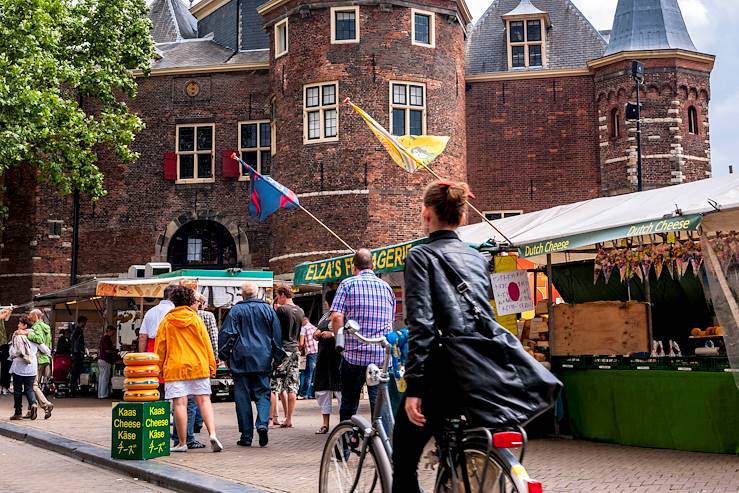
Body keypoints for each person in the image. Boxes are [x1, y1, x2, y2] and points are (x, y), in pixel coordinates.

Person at [392, 181, 490, 492]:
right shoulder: (476, 258)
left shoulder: (420, 256)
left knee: (404, 460)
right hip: (477, 370)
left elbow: (421, 323)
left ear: (426, 213)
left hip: (440, 371)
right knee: (460, 450)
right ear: (462, 217)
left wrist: (415, 386)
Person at [330, 249, 396, 423]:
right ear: (372, 266)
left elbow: (336, 317)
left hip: (354, 356)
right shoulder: (387, 288)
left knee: (349, 405)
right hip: (380, 357)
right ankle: (382, 445)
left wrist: (339, 341)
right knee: (380, 407)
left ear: (354, 267)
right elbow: (390, 321)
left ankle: (345, 442)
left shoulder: (347, 284)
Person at [154, 286, 222, 453]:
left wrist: (159, 368)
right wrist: (211, 365)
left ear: (173, 301)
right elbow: (207, 344)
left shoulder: (166, 321)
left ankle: (182, 442)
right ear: (192, 301)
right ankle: (212, 434)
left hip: (175, 366)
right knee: (204, 400)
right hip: (198, 365)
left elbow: (160, 347)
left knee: (180, 404)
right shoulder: (197, 320)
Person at [219, 282, 283, 447]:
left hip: (241, 359)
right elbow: (276, 335)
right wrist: (278, 357)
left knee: (242, 398)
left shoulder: (236, 310)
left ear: (242, 295)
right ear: (257, 293)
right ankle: (262, 424)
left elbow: (228, 334)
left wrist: (225, 355)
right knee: (263, 394)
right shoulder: (268, 310)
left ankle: (246, 436)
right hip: (263, 357)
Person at [270, 284, 304, 428]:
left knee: (274, 385)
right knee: (292, 386)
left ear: (283, 294)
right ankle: (289, 419)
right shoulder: (300, 311)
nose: (277, 299)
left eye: (278, 295)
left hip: (282, 350)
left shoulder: (282, 310)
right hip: (295, 350)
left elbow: (275, 330)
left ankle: (271, 419)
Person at [312, 290, 342, 434]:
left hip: (338, 358)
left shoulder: (343, 315)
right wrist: (316, 334)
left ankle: (344, 422)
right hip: (323, 358)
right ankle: (325, 423)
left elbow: (347, 334)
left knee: (340, 389)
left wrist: (332, 334)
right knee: (322, 390)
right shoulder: (325, 316)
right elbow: (316, 330)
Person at [9, 317, 41, 420]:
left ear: (25, 326)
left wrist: (12, 355)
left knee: (17, 390)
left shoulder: (17, 335)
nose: (18, 325)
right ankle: (33, 404)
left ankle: (18, 413)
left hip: (19, 366)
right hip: (32, 367)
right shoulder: (35, 336)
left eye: (20, 323)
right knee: (29, 389)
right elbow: (44, 348)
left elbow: (13, 351)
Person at [27, 309, 54, 417]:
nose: (29, 317)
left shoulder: (36, 327)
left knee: (32, 385)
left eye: (30, 315)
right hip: (45, 359)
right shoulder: (46, 327)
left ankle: (46, 404)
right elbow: (49, 344)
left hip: (37, 358)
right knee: (34, 385)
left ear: (35, 316)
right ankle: (31, 410)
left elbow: (39, 339)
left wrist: (27, 333)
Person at [139, 285, 176, 353]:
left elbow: (142, 336)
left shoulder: (150, 311)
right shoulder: (175, 311)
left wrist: (142, 355)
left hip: (151, 350)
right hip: (169, 348)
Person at [297, 316, 318, 400]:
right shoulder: (315, 328)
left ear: (304, 321)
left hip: (311, 353)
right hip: (318, 352)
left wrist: (298, 350)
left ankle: (304, 394)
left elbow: (301, 343)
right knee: (313, 375)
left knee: (308, 374)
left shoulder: (303, 328)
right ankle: (311, 393)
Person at [97, 325, 119, 399]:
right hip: (105, 359)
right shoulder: (107, 338)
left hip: (101, 359)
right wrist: (115, 351)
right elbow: (107, 350)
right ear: (109, 330)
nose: (113, 334)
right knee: (105, 378)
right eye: (113, 332)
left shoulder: (103, 338)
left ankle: (100, 394)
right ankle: (104, 394)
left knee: (101, 378)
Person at [69, 315, 87, 397]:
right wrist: (81, 352)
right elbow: (77, 343)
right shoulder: (78, 331)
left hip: (75, 354)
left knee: (75, 373)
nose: (85, 324)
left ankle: (73, 390)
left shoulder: (75, 331)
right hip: (77, 354)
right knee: (75, 373)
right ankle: (73, 391)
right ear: (82, 322)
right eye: (84, 322)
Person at [0, 307, 12, 395]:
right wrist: (8, 309)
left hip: (3, 344)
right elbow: (3, 316)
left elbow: (6, 318)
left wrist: (10, 311)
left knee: (7, 365)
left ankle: (5, 386)